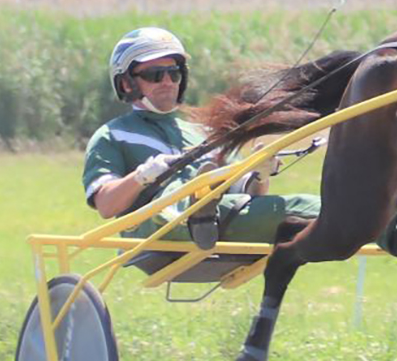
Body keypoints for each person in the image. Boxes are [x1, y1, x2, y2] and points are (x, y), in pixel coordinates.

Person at [82, 27, 319, 247]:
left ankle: (202, 211)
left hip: (223, 215)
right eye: (155, 75)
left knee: (313, 207)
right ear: (126, 83)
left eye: (173, 74)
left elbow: (248, 197)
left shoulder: (203, 132)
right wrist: (143, 175)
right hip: (153, 231)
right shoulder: (112, 135)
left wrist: (259, 174)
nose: (167, 81)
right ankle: (195, 212)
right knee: (173, 203)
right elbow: (106, 205)